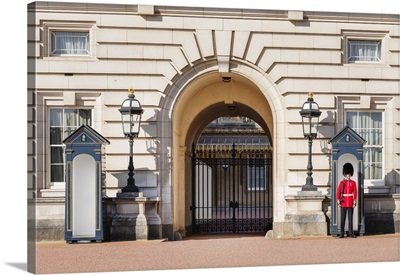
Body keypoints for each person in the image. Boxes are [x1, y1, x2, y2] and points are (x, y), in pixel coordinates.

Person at [336, 163, 357, 238]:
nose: (348, 175)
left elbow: (355, 192)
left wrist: (354, 201)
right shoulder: (342, 183)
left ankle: (351, 233)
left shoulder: (353, 183)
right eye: (347, 174)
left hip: (350, 203)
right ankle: (342, 233)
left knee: (350, 219)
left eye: (349, 174)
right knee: (343, 219)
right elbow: (338, 192)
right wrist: (338, 201)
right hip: (344, 202)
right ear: (344, 174)